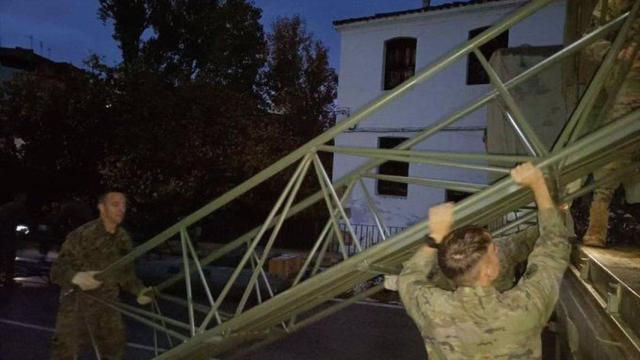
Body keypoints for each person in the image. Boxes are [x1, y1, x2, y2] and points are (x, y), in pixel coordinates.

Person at [398, 162, 570, 359]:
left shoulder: (432, 309)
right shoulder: (522, 309)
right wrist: (539, 184)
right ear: (488, 272)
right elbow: (553, 247)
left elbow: (408, 277)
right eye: (493, 250)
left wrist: (435, 237)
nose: (497, 249)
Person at [50, 191, 153, 360]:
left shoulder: (123, 238)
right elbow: (57, 269)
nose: (121, 209)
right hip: (77, 304)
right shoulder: (83, 234)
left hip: (108, 305)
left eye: (124, 205)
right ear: (101, 208)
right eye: (115, 204)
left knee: (115, 351)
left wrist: (140, 290)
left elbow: (126, 273)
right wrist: (76, 277)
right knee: (65, 353)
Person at [581, 0, 640, 247]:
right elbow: (590, 40)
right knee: (613, 153)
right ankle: (597, 227)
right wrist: (618, 53)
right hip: (629, 82)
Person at [0, 193, 27, 286]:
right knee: (10, 258)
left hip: (3, 233)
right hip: (9, 235)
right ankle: (8, 280)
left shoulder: (5, 206)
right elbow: (21, 221)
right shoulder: (19, 207)